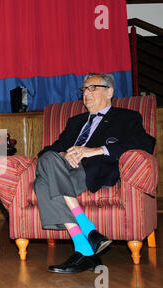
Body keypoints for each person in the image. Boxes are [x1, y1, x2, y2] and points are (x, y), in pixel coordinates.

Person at [34, 73, 156, 274]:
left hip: (93, 170)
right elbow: (49, 150)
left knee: (42, 184)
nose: (86, 94)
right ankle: (87, 234)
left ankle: (84, 247)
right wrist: (65, 154)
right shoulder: (75, 121)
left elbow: (145, 143)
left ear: (109, 92)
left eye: (93, 88)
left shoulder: (126, 117)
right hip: (64, 168)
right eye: (84, 89)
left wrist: (96, 150)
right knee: (48, 158)